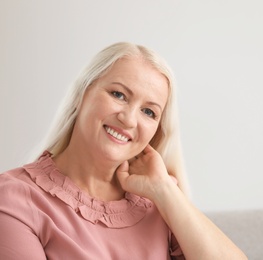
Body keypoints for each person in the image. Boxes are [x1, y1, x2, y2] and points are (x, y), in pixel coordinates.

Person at [0, 42, 247, 259]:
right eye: (118, 94)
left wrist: (164, 191)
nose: (129, 119)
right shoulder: (14, 200)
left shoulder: (160, 203)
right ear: (81, 94)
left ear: (156, 132)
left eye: (149, 112)